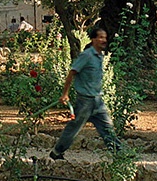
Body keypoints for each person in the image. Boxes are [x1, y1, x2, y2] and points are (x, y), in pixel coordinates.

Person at [49, 27, 124, 160]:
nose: (103, 40)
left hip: (98, 100)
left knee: (107, 127)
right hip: (85, 101)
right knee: (74, 128)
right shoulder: (87, 55)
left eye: (105, 37)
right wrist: (65, 94)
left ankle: (120, 154)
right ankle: (57, 152)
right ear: (93, 39)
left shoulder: (100, 56)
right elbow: (72, 72)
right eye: (100, 37)